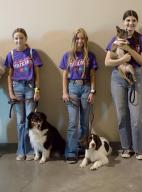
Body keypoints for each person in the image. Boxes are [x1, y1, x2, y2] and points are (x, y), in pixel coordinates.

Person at [105, 10, 142, 160]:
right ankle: (126, 148)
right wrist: (122, 59)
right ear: (123, 22)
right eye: (128, 20)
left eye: (133, 20)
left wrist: (129, 49)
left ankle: (138, 150)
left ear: (136, 22)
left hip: (135, 75)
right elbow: (107, 62)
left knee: (136, 117)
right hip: (117, 76)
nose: (130, 23)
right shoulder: (115, 38)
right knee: (122, 116)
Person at [59, 28, 98, 164]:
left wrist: (93, 91)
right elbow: (64, 75)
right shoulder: (67, 55)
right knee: (72, 123)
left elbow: (93, 75)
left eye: (82, 38)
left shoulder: (90, 56)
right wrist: (64, 92)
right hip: (72, 88)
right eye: (77, 38)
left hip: (86, 87)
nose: (80, 41)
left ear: (85, 40)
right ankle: (71, 151)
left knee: (84, 123)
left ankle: (83, 148)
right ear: (74, 40)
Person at [4, 28, 43, 161]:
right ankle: (21, 150)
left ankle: (31, 150)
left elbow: (37, 74)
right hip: (17, 88)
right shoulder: (11, 55)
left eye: (21, 37)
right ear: (13, 39)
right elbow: (9, 76)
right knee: (20, 122)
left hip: (30, 87)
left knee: (30, 121)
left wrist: (37, 90)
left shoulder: (32, 53)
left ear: (25, 38)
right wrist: (11, 92)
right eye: (16, 38)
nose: (18, 40)